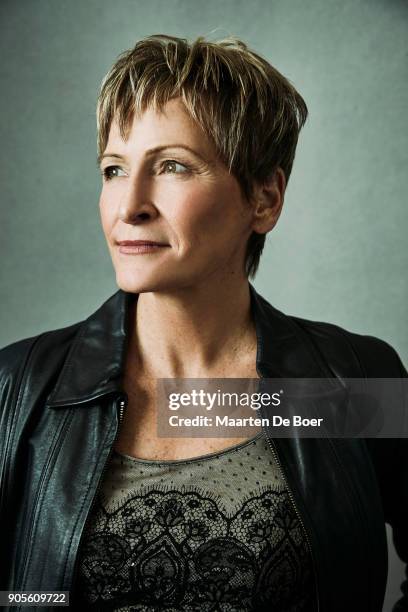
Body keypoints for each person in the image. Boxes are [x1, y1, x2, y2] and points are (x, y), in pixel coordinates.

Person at [0, 34, 406, 612]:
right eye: (114, 169)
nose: (129, 205)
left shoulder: (352, 379)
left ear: (265, 198)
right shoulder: (17, 388)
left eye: (172, 166)